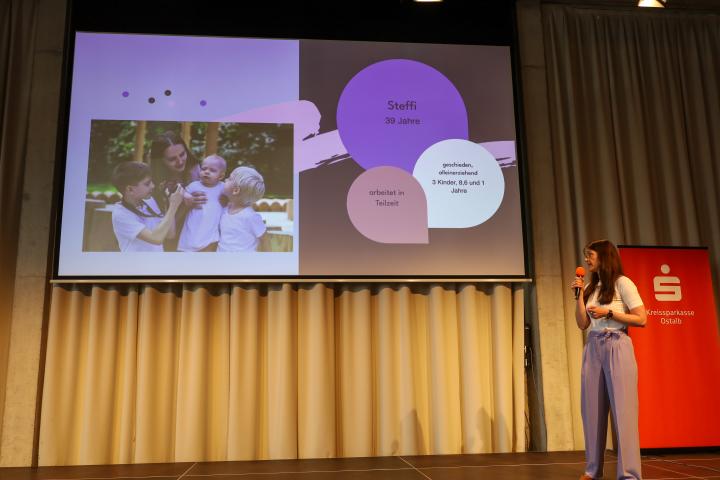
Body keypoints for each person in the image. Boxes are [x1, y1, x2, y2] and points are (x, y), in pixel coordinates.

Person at [570, 239, 647, 480]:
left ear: (604, 257)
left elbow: (641, 318)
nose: (586, 260)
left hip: (617, 344)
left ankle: (629, 474)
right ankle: (592, 470)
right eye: (586, 255)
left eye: (590, 255)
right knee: (591, 410)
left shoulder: (623, 283)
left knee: (624, 412)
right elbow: (582, 323)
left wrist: (610, 312)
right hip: (593, 346)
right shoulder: (591, 287)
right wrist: (579, 297)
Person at [110, 161, 184, 252]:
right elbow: (156, 239)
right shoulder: (121, 214)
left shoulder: (149, 201)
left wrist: (169, 203)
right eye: (147, 184)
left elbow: (170, 234)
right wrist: (173, 206)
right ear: (130, 189)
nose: (153, 186)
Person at [177, 154, 227, 252]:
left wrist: (227, 199)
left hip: (211, 236)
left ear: (221, 176)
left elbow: (235, 195)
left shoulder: (223, 187)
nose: (206, 172)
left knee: (207, 259)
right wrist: (186, 195)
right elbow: (179, 191)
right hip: (192, 231)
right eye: (204, 169)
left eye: (212, 170)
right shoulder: (194, 186)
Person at [218, 166, 266, 252]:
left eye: (229, 178)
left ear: (236, 190)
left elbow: (264, 239)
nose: (225, 179)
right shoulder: (225, 209)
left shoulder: (250, 216)